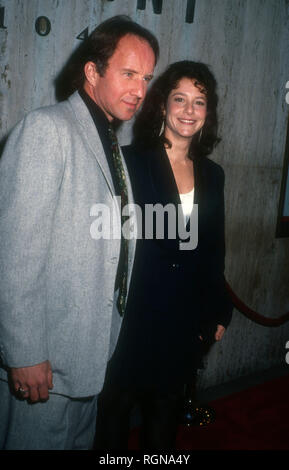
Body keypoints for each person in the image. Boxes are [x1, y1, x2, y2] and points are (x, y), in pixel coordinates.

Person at [0, 15, 158, 450]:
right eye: (129, 74)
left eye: (146, 78)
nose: (141, 91)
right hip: (43, 365)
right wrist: (24, 353)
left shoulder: (107, 138)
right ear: (93, 71)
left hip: (88, 356)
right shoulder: (46, 130)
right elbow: (14, 256)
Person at [94, 61, 233, 450]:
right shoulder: (129, 162)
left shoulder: (213, 174)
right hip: (131, 321)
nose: (189, 111)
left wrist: (218, 309)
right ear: (161, 106)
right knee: (113, 425)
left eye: (199, 101)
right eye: (180, 99)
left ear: (209, 112)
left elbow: (213, 248)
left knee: (163, 427)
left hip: (182, 322)